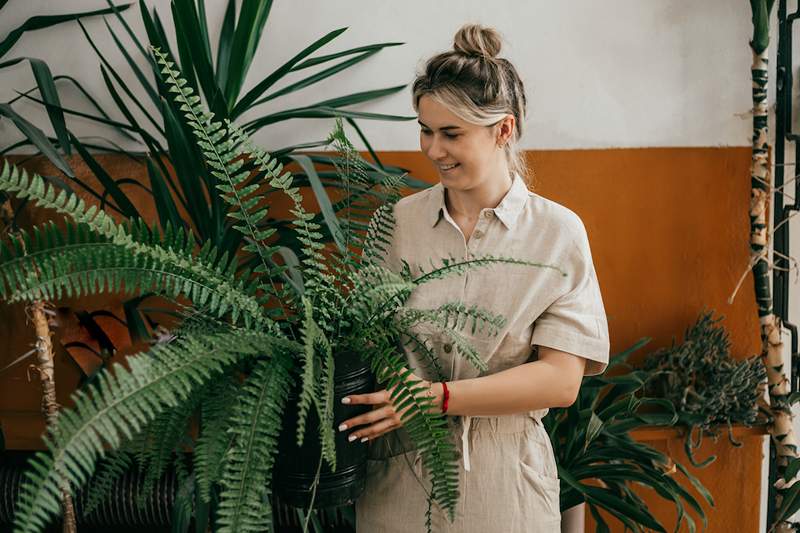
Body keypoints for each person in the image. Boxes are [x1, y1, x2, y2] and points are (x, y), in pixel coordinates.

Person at [339, 24, 610, 532]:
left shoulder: (556, 233)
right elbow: (362, 339)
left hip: (504, 487)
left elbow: (561, 380)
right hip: (397, 483)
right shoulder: (398, 224)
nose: (432, 149)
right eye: (425, 129)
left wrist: (438, 397)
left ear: (503, 130)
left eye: (451, 133)